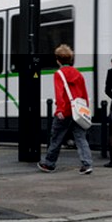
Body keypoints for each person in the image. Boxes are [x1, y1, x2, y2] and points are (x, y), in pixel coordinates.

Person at [38, 44, 94, 175]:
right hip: (78, 111)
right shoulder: (78, 74)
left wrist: (60, 110)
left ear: (57, 60)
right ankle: (87, 164)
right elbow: (84, 93)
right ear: (70, 59)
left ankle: (49, 164)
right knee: (80, 138)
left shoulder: (59, 74)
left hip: (65, 111)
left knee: (56, 137)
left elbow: (59, 93)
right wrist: (85, 108)